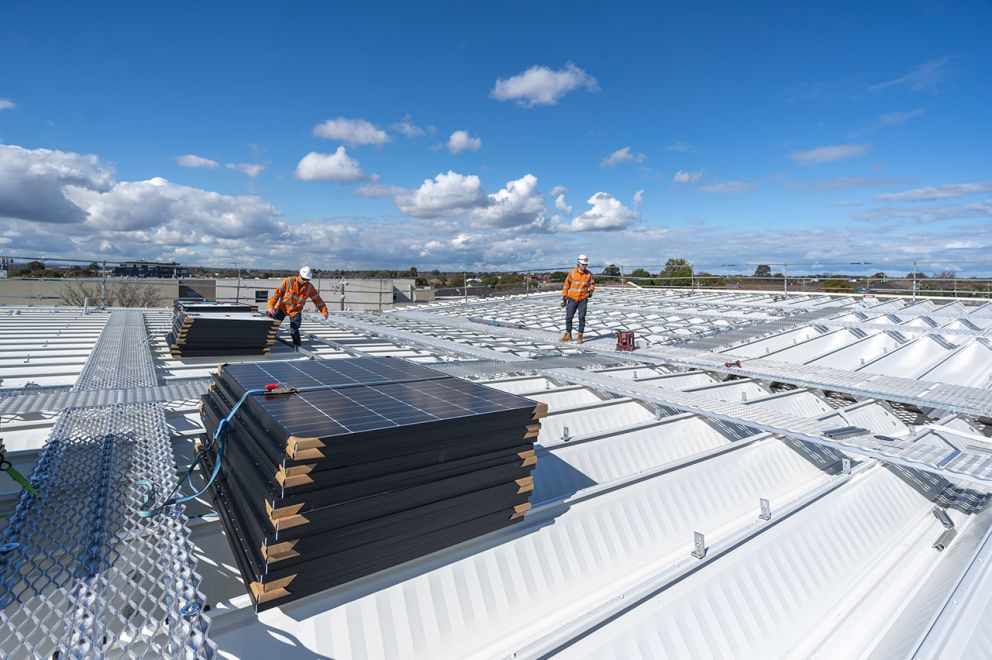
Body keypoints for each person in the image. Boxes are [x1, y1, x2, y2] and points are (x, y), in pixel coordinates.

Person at [267, 265, 329, 350]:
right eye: (303, 279)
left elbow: (317, 300)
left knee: (294, 328)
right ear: (299, 275)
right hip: (282, 308)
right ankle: (269, 342)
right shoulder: (288, 281)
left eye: (307, 280)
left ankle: (297, 345)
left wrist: (324, 311)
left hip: (295, 311)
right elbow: (276, 294)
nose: (304, 281)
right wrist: (271, 307)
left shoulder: (309, 287)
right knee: (273, 326)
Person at [560, 254, 595, 344]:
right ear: (578, 263)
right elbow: (566, 285)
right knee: (569, 317)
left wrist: (591, 290)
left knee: (581, 317)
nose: (584, 266)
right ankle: (568, 335)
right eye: (583, 264)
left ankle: (580, 336)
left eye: (585, 264)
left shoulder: (588, 274)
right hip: (572, 298)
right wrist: (564, 296)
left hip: (583, 298)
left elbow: (592, 283)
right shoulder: (572, 273)